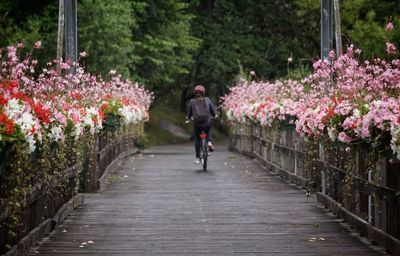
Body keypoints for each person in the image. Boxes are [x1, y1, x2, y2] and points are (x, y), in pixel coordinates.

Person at [187, 85, 216, 164]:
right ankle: (209, 142)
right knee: (208, 129)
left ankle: (197, 157)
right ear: (203, 92)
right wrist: (214, 115)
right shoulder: (207, 100)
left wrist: (189, 118)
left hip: (197, 124)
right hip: (206, 122)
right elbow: (212, 110)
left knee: (197, 138)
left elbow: (189, 114)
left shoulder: (192, 101)